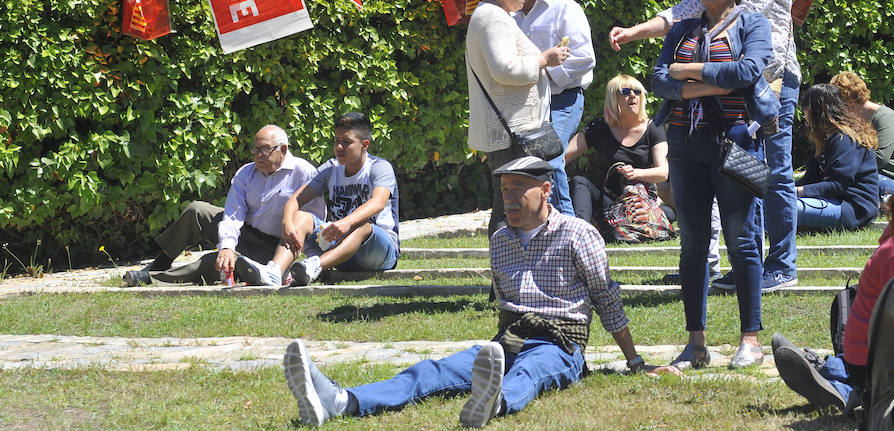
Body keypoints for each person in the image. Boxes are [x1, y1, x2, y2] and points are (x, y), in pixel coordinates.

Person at [281, 156, 679, 427]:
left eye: (517, 190)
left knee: (533, 371)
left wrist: (636, 361)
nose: (508, 198)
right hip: (505, 342)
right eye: (504, 190)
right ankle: (341, 401)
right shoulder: (501, 238)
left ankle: (496, 401)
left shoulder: (579, 234)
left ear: (545, 189)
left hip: (560, 344)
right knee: (432, 370)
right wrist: (500, 348)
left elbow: (606, 298)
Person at [611, 0, 801, 293]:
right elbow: (680, 12)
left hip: (771, 85)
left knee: (776, 174)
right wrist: (633, 32)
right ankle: (749, 264)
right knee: (743, 176)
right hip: (726, 95)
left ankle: (781, 264)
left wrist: (689, 70)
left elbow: (737, 12)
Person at [651, 0, 779, 369]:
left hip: (736, 142)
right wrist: (709, 84)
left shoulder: (752, 23)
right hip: (685, 146)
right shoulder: (682, 30)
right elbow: (657, 79)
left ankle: (751, 339)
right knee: (692, 244)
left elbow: (747, 71)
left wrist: (688, 72)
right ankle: (696, 344)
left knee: (742, 241)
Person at [122, 125, 325, 286]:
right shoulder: (246, 173)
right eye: (255, 149)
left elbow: (312, 223)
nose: (257, 155)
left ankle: (155, 279)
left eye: (264, 150)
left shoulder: (304, 173)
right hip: (245, 231)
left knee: (220, 262)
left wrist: (304, 263)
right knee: (197, 210)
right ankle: (159, 265)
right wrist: (227, 246)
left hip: (274, 249)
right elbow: (233, 214)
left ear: (283, 150)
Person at [466, 0, 570, 234]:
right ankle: (504, 275)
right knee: (511, 208)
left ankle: (510, 273)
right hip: (511, 134)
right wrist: (544, 60)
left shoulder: (492, 15)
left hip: (511, 133)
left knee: (515, 205)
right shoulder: (493, 18)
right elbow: (505, 70)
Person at [235, 112, 400, 286]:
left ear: (364, 144)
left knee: (362, 224)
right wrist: (287, 222)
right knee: (299, 216)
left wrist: (346, 222)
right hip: (341, 251)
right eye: (336, 141)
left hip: (381, 252)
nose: (339, 147)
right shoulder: (330, 168)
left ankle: (315, 265)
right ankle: (274, 272)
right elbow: (295, 199)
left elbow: (378, 202)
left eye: (347, 142)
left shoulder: (379, 168)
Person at [772, 191, 894, 409]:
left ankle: (835, 380)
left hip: (866, 353)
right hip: (871, 359)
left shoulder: (891, 247)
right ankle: (839, 379)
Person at [514, 0, 596, 216]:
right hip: (525, 102)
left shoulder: (564, 8)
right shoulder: (510, 15)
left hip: (563, 98)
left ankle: (568, 224)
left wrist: (545, 74)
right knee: (521, 162)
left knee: (549, 154)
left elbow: (585, 57)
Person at [564, 74, 670, 241]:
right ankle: (581, 232)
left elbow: (663, 172)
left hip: (639, 201)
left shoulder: (653, 128)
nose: (633, 95)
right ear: (614, 98)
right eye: (625, 91)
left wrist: (636, 173)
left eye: (637, 91)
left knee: (669, 214)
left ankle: (613, 226)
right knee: (579, 182)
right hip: (607, 201)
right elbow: (563, 158)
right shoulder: (599, 127)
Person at [795, 84, 879, 231]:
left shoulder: (844, 139)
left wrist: (796, 192)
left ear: (818, 110)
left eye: (806, 107)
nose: (803, 112)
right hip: (835, 201)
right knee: (777, 201)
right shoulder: (825, 139)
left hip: (853, 209)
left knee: (787, 208)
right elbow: (811, 179)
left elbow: (838, 184)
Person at [830, 71, 894, 200]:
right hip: (871, 176)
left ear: (850, 102)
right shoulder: (853, 120)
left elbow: (880, 159)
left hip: (891, 181)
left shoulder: (886, 118)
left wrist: (844, 168)